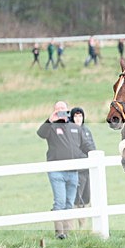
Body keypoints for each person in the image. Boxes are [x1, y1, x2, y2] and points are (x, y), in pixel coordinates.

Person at [36, 101, 90, 239]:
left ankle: (67, 233)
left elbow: (85, 146)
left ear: (67, 110)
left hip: (73, 172)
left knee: (69, 203)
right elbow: (40, 133)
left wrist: (85, 160)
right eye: (57, 109)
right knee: (59, 201)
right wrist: (50, 120)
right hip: (56, 171)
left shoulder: (75, 128)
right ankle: (59, 233)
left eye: (63, 108)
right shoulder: (51, 127)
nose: (60, 110)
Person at [70, 107, 97, 226]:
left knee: (86, 197)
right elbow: (73, 150)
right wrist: (84, 158)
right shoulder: (70, 132)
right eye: (76, 116)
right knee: (76, 198)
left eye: (80, 116)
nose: (78, 118)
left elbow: (92, 146)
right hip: (77, 170)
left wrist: (93, 157)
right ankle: (73, 225)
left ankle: (83, 226)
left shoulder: (86, 131)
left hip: (88, 170)